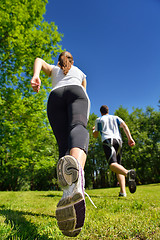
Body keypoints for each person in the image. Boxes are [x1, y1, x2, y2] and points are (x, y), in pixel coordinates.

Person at [31, 51, 90, 237]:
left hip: (54, 97)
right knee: (78, 128)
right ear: (73, 60)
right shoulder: (80, 73)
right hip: (76, 93)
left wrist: (36, 76)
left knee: (63, 144)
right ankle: (76, 180)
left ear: (59, 60)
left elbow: (39, 60)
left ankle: (68, 192)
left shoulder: (54, 69)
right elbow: (84, 94)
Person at [93, 105, 136, 197]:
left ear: (101, 112)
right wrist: (130, 138)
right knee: (118, 166)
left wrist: (94, 130)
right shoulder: (116, 118)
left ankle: (128, 173)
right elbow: (124, 126)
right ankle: (122, 192)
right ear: (108, 111)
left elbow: (96, 135)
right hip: (119, 141)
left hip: (108, 141)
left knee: (112, 165)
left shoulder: (99, 120)